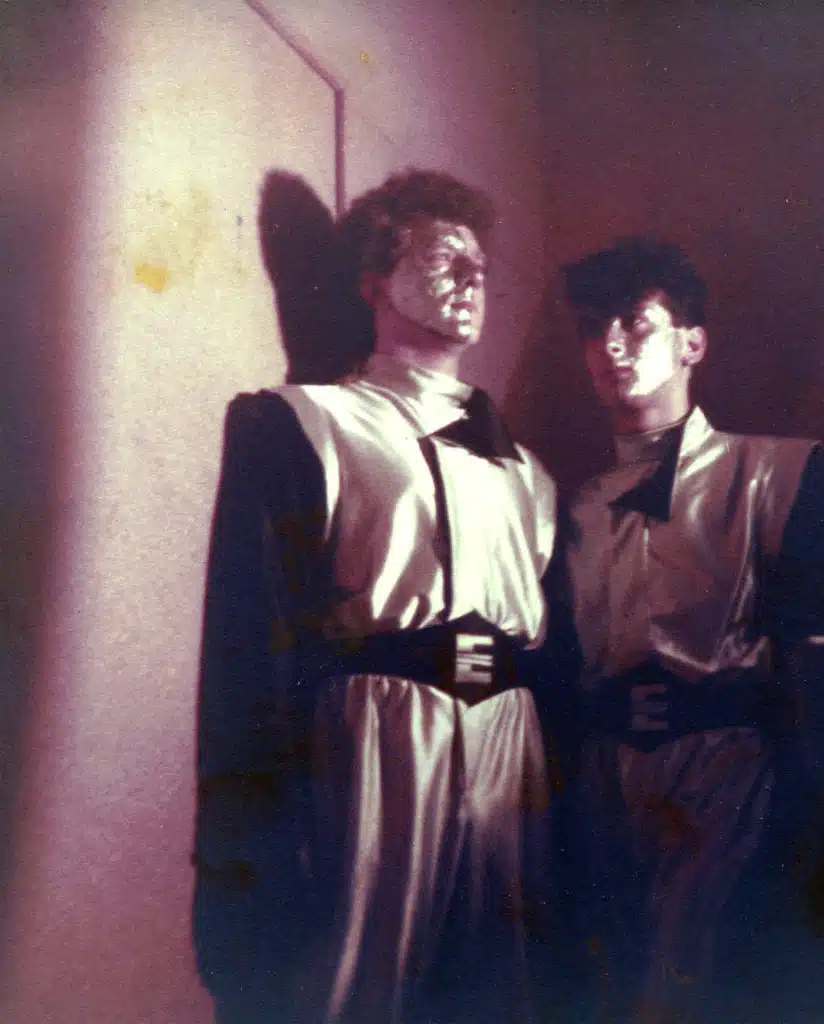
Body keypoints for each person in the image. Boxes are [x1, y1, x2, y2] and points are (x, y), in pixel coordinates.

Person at [559, 236, 824, 1023]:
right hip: (604, 800)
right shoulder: (574, 506)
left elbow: (819, 664)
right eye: (594, 327)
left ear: (692, 343)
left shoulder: (779, 472)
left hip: (735, 793)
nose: (610, 345)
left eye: (634, 322)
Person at [192, 169, 568, 1024]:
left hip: (510, 752)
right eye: (441, 259)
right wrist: (245, 846)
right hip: (374, 744)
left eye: (480, 265)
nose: (471, 278)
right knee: (353, 991)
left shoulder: (528, 474)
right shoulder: (301, 423)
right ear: (374, 285)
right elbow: (247, 652)